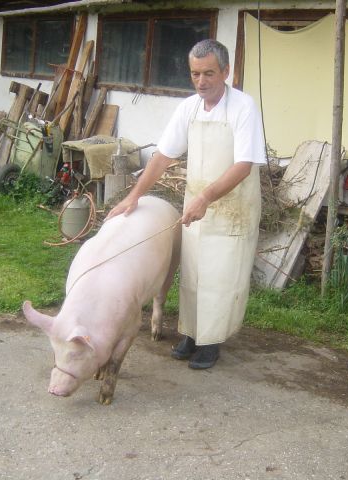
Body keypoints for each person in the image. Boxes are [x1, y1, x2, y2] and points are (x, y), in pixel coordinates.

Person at [106, 39, 266, 369]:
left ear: (226, 72)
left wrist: (206, 197)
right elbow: (163, 157)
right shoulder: (189, 108)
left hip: (233, 206)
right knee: (193, 273)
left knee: (221, 276)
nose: (201, 81)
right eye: (195, 74)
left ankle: (211, 342)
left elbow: (243, 165)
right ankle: (191, 334)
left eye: (209, 73)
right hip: (199, 205)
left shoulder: (243, 107)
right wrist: (133, 197)